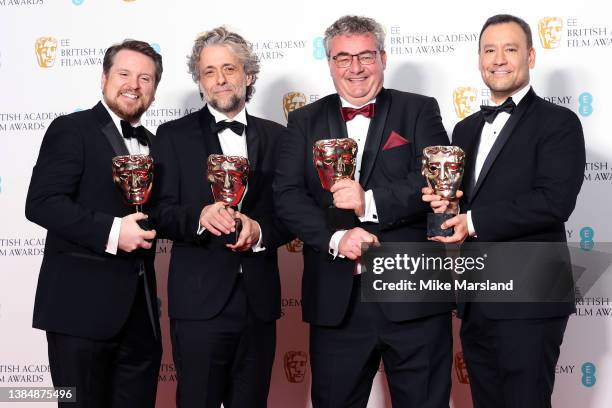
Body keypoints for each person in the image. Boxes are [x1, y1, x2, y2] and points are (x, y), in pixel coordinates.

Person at [274, 15, 452, 407]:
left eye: (366, 56)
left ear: (383, 58)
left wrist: (369, 201)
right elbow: (286, 196)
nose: (355, 68)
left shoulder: (419, 110)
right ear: (330, 63)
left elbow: (436, 181)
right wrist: (337, 237)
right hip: (337, 302)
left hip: (413, 295)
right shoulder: (304, 121)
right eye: (343, 58)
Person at [423, 14, 585, 408]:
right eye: (489, 50)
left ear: (530, 56)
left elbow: (554, 201)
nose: (498, 59)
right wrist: (447, 206)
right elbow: (466, 198)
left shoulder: (559, 122)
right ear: (479, 58)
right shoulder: (464, 130)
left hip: (531, 296)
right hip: (477, 297)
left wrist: (473, 221)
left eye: (510, 49)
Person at [150, 27, 291, 408]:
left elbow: (291, 213)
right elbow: (157, 211)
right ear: (199, 80)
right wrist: (200, 218)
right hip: (198, 302)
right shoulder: (172, 136)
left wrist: (260, 231)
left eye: (229, 68)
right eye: (209, 71)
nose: (221, 79)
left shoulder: (279, 138)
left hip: (259, 302)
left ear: (248, 75)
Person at [25, 39, 163, 408]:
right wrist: (115, 232)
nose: (134, 84)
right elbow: (42, 203)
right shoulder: (72, 129)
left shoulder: (154, 143)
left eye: (145, 78)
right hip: (79, 314)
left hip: (141, 318)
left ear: (154, 89)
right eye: (124, 74)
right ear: (104, 78)